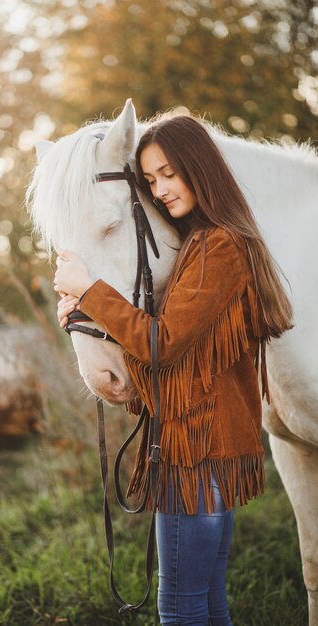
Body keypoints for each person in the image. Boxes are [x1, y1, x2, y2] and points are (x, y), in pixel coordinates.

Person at [53, 114, 294, 626]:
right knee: (207, 601)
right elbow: (187, 370)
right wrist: (84, 312)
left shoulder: (218, 247)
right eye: (151, 180)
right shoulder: (203, 246)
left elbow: (162, 345)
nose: (160, 190)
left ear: (199, 168)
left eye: (169, 174)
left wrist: (92, 293)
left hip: (197, 455)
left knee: (179, 608)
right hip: (208, 448)